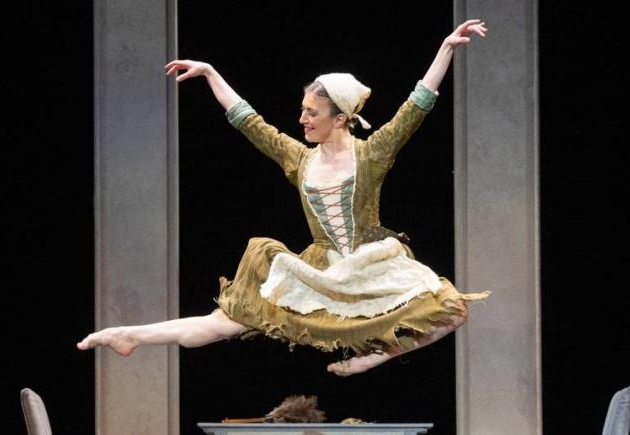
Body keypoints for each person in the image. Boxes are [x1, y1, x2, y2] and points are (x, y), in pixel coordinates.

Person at [78, 19, 491, 376]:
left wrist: (445, 49)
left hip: (368, 266)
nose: (303, 119)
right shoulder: (299, 159)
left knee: (452, 311)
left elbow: (415, 108)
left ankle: (377, 356)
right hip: (319, 269)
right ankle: (128, 334)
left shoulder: (372, 154)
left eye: (313, 113)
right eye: (303, 110)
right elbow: (250, 122)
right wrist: (211, 74)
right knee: (224, 323)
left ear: (341, 118)